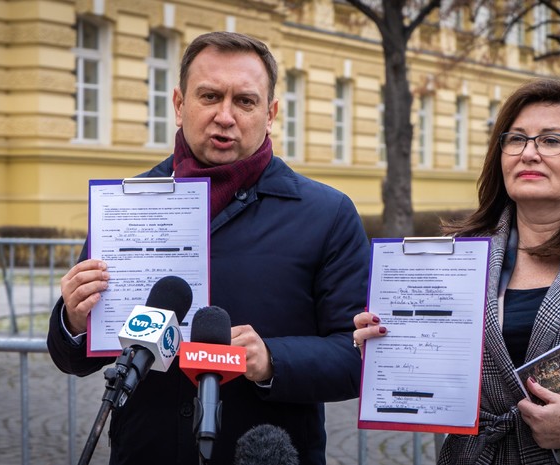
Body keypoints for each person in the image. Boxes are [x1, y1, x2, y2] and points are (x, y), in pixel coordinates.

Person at [48, 31, 369, 465]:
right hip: (146, 453)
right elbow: (73, 358)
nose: (225, 116)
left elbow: (356, 356)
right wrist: (73, 318)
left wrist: (272, 359)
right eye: (210, 96)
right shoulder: (126, 204)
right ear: (180, 104)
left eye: (245, 101)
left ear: (271, 114)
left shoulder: (326, 214)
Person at [353, 78, 560, 464]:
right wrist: (389, 347)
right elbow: (438, 367)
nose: (528, 153)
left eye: (551, 140)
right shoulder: (459, 253)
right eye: (516, 139)